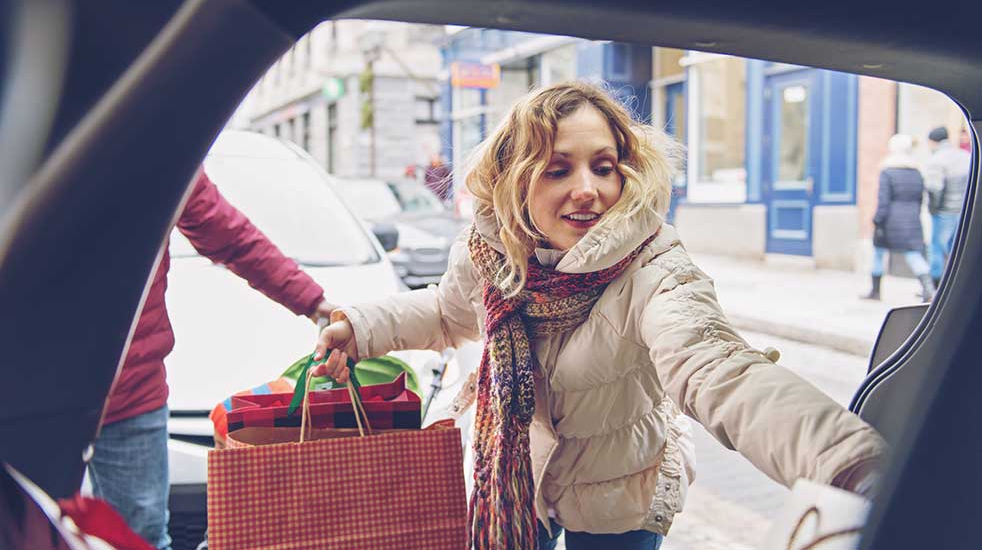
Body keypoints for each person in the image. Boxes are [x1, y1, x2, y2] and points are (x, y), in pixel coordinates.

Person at [312, 82, 885, 550]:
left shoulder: (656, 267)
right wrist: (360, 327)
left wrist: (849, 463)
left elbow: (718, 369)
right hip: (520, 473)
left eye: (603, 166)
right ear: (516, 180)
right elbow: (445, 312)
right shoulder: (487, 252)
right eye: (557, 170)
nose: (588, 190)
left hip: (623, 485)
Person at [87, 169, 335, 550]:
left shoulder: (154, 136)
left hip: (128, 393)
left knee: (141, 540)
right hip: (29, 393)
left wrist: (313, 302)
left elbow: (228, 233)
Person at [862, 134, 935, 302]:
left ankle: (875, 291)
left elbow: (883, 200)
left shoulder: (888, 171)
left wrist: (877, 221)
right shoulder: (917, 171)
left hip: (890, 220)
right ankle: (929, 289)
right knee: (914, 255)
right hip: (912, 219)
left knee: (879, 254)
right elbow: (920, 198)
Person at [924, 126, 971, 287]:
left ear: (933, 141)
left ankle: (935, 286)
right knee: (958, 249)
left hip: (944, 212)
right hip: (964, 210)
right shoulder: (965, 156)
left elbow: (934, 188)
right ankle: (957, 283)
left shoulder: (937, 160)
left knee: (936, 247)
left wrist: (933, 209)